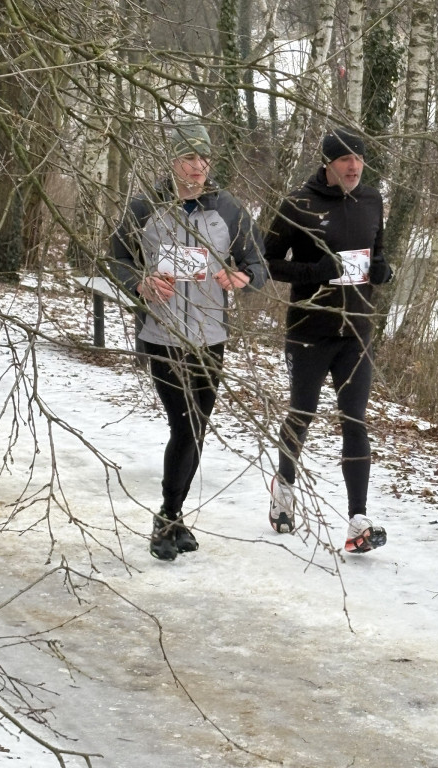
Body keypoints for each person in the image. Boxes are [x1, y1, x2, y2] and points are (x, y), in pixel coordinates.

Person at [110, 121, 267, 560]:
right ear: (173, 162)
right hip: (162, 336)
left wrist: (242, 276)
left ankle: (174, 517)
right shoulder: (145, 207)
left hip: (210, 337)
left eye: (204, 159)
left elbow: (258, 261)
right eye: (188, 158)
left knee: (196, 427)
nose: (198, 167)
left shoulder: (228, 208)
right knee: (184, 423)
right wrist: (140, 283)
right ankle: (167, 516)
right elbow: (116, 258)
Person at [264, 128, 392, 554]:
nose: (354, 167)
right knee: (302, 413)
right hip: (309, 331)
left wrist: (381, 268)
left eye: (359, 159)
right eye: (345, 159)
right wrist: (313, 272)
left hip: (357, 331)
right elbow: (265, 262)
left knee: (354, 420)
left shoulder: (372, 200)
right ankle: (284, 486)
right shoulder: (299, 204)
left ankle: (359, 520)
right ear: (328, 163)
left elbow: (377, 250)